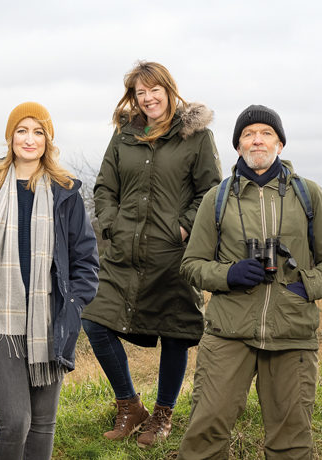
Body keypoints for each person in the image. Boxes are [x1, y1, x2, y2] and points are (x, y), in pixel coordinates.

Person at [178, 105, 322, 459]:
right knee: (205, 432)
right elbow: (192, 264)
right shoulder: (217, 198)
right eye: (248, 134)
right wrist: (229, 274)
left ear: (280, 144)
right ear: (238, 146)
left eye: (266, 133)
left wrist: (306, 286)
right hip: (228, 332)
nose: (257, 140)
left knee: (291, 442)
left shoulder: (308, 194)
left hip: (292, 333)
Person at [81, 61, 222, 447]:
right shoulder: (124, 135)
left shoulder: (197, 137)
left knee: (175, 333)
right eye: (140, 92)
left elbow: (211, 192)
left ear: (169, 90)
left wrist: (184, 228)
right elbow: (104, 186)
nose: (148, 98)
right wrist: (112, 224)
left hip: (172, 255)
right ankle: (130, 406)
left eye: (154, 90)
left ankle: (162, 415)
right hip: (123, 254)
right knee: (95, 321)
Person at [0, 102, 99, 459]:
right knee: (16, 421)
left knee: (43, 423)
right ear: (10, 137)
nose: (29, 139)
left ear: (48, 140)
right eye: (22, 131)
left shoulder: (65, 191)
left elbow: (86, 260)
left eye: (38, 132)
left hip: (49, 321)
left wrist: (72, 305)